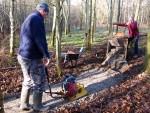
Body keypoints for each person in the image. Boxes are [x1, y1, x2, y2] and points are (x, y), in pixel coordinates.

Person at [17, 2, 50, 111]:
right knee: (38, 81)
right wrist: (45, 55)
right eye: (46, 13)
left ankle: (24, 105)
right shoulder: (37, 19)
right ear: (43, 11)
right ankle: (38, 106)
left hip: (23, 55)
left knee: (27, 81)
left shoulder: (30, 17)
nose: (46, 15)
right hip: (32, 57)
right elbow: (39, 40)